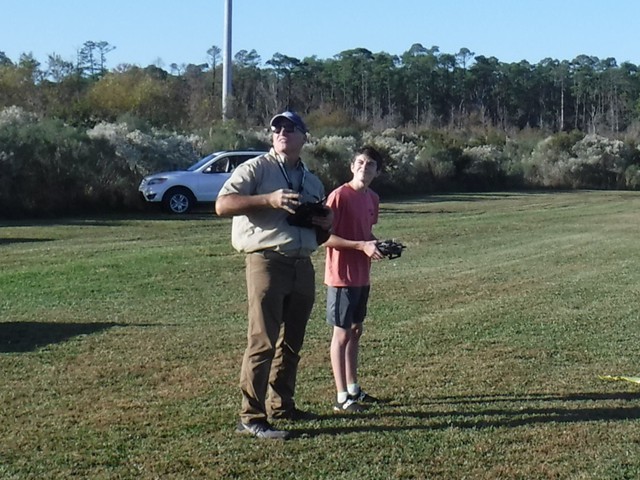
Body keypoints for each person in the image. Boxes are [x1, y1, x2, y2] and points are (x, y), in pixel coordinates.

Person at [215, 111, 333, 440]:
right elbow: (222, 205)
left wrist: (326, 224)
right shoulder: (256, 169)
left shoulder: (312, 181)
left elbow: (321, 235)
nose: (282, 132)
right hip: (267, 261)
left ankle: (282, 405)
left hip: (302, 263)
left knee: (292, 343)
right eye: (277, 128)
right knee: (262, 341)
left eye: (290, 128)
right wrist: (269, 199)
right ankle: (251, 417)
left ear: (304, 137)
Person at [323, 146, 384, 412]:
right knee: (341, 334)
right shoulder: (339, 196)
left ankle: (353, 389)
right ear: (351, 166)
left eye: (370, 164)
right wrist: (361, 246)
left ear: (377, 172)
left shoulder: (372, 198)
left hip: (362, 275)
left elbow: (365, 233)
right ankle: (341, 398)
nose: (364, 168)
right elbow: (324, 237)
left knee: (355, 331)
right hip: (341, 276)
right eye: (360, 162)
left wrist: (379, 245)